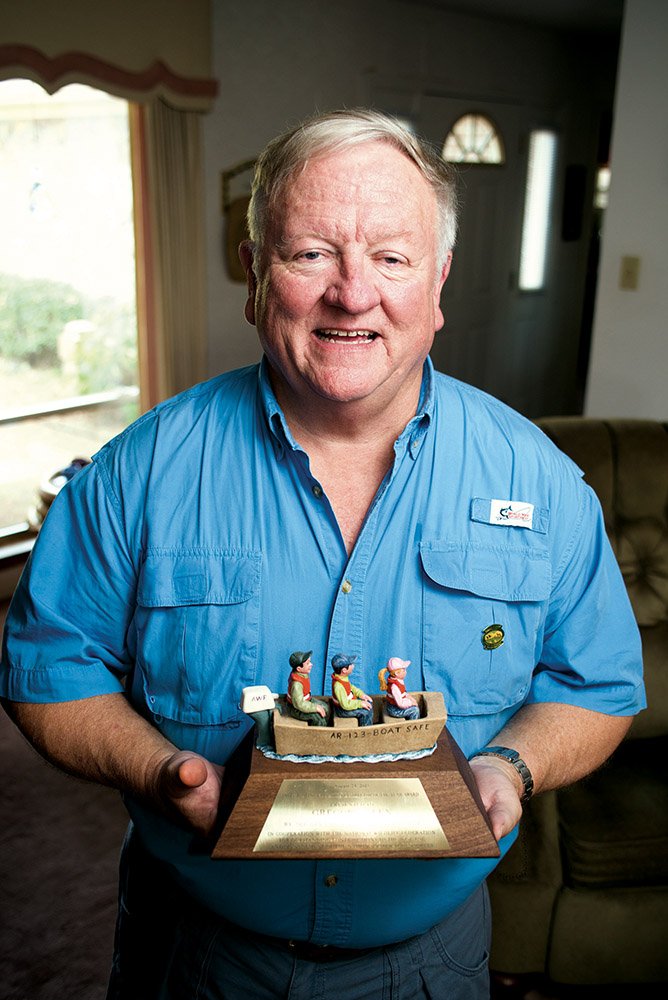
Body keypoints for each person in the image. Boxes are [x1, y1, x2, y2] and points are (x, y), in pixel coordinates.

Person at [0, 109, 644, 999]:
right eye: (310, 254)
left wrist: (512, 766)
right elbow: (47, 667)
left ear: (439, 279)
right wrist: (158, 771)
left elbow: (599, 686)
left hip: (432, 965)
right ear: (255, 272)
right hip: (194, 959)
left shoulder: (544, 482)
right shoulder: (137, 473)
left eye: (392, 257)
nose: (353, 293)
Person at [286, 649, 329, 725]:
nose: (311, 664)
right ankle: (318, 734)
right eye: (308, 663)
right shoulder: (297, 685)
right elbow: (299, 704)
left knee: (326, 708)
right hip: (296, 708)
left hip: (306, 701)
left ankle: (327, 726)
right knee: (318, 718)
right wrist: (315, 707)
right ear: (299, 669)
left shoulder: (302, 674)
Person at [331, 652, 374, 726]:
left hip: (349, 702)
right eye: (350, 664)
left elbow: (351, 687)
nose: (353, 665)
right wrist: (360, 703)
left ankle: (367, 725)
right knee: (365, 713)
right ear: (344, 670)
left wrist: (361, 694)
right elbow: (345, 705)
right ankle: (365, 732)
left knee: (369, 703)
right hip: (342, 710)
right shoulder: (338, 686)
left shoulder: (342, 678)